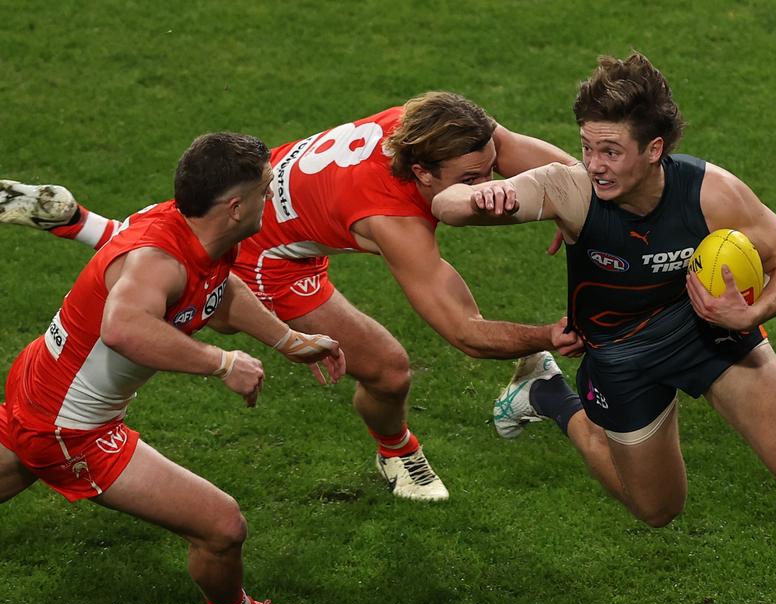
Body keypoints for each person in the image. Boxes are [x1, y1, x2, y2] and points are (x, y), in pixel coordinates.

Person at [431, 53, 776, 604]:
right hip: (622, 359)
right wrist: (479, 200)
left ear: (654, 149)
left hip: (707, 330)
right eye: (587, 147)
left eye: (611, 151)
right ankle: (552, 395)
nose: (593, 164)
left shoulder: (711, 192)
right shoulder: (571, 190)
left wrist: (752, 312)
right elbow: (446, 206)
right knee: (657, 511)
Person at [0, 92, 580, 502]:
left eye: (490, 173)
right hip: (261, 258)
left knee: (163, 259)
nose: (488, 189)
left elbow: (513, 149)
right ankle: (397, 450)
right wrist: (549, 335)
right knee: (388, 370)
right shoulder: (392, 220)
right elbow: (466, 335)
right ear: (423, 173)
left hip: (273, 202)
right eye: (470, 181)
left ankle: (79, 222)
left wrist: (574, 199)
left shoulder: (430, 123)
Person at [0, 132, 346, 604]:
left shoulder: (188, 227)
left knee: (21, 457)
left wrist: (287, 339)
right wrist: (222, 363)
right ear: (234, 207)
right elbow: (125, 328)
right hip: (70, 428)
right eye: (266, 189)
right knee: (221, 525)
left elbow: (218, 288)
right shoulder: (157, 262)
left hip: (42, 384)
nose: (272, 197)